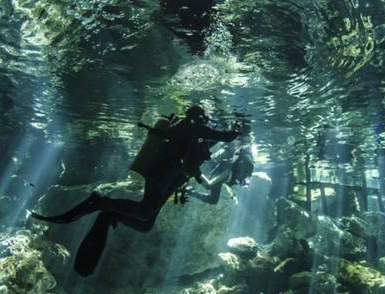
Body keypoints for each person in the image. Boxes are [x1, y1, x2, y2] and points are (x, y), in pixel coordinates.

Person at [30, 105, 240, 275]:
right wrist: (239, 127)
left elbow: (195, 158)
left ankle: (110, 215)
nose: (207, 122)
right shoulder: (195, 127)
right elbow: (229, 137)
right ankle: (100, 202)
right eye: (205, 118)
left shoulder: (189, 132)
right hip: (161, 177)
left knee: (145, 225)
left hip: (168, 181)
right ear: (200, 117)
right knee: (143, 212)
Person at [190, 125, 254, 205]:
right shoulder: (237, 171)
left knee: (213, 199)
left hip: (228, 165)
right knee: (208, 185)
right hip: (226, 167)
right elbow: (213, 183)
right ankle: (193, 169)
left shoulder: (241, 173)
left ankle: (190, 187)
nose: (242, 179)